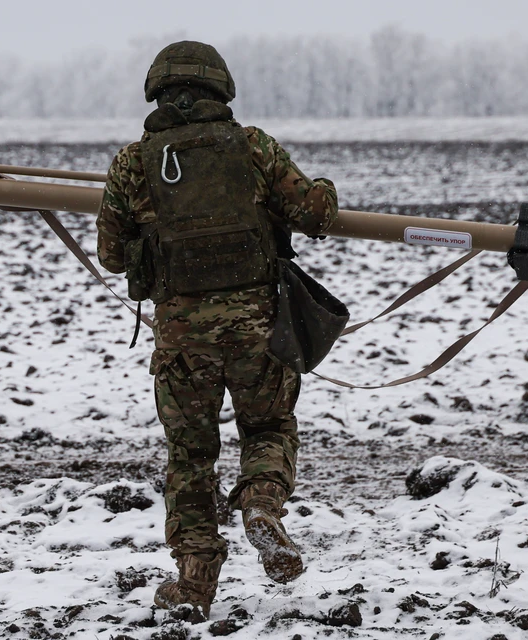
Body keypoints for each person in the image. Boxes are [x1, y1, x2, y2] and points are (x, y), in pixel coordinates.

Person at [96, 40, 338, 619]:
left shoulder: (132, 162)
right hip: (259, 334)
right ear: (219, 90)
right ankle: (261, 506)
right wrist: (324, 189)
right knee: (270, 426)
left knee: (190, 456)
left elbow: (109, 254)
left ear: (157, 92)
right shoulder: (253, 147)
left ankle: (195, 584)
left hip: (181, 345)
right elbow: (314, 214)